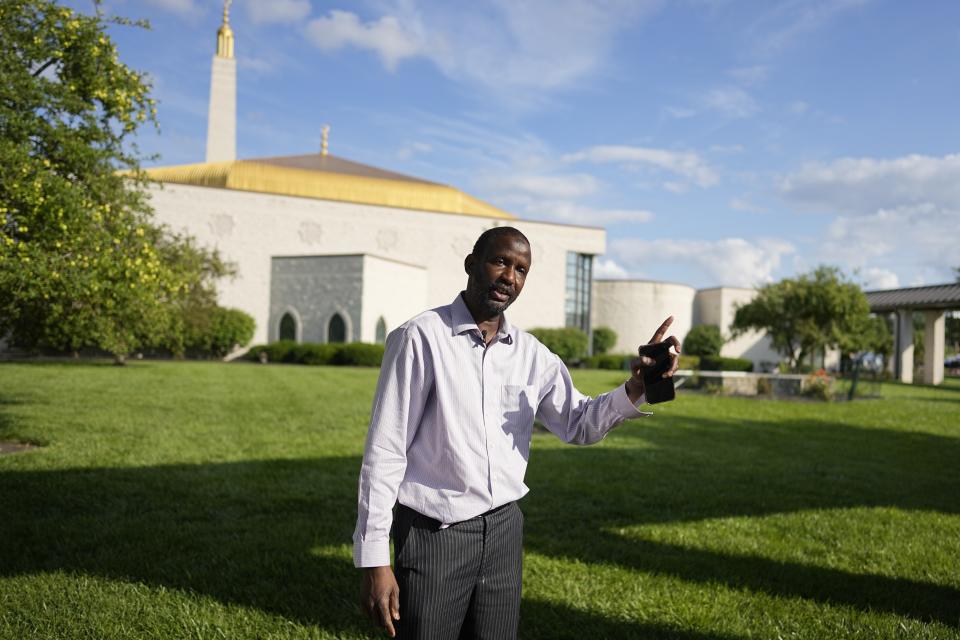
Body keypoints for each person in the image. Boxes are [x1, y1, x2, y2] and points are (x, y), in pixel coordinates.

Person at [352, 226, 680, 639]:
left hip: (505, 533)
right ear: (472, 264)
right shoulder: (420, 338)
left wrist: (636, 387)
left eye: (521, 269)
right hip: (435, 535)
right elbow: (385, 451)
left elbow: (578, 422)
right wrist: (374, 559)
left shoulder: (533, 356)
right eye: (501, 261)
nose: (510, 276)